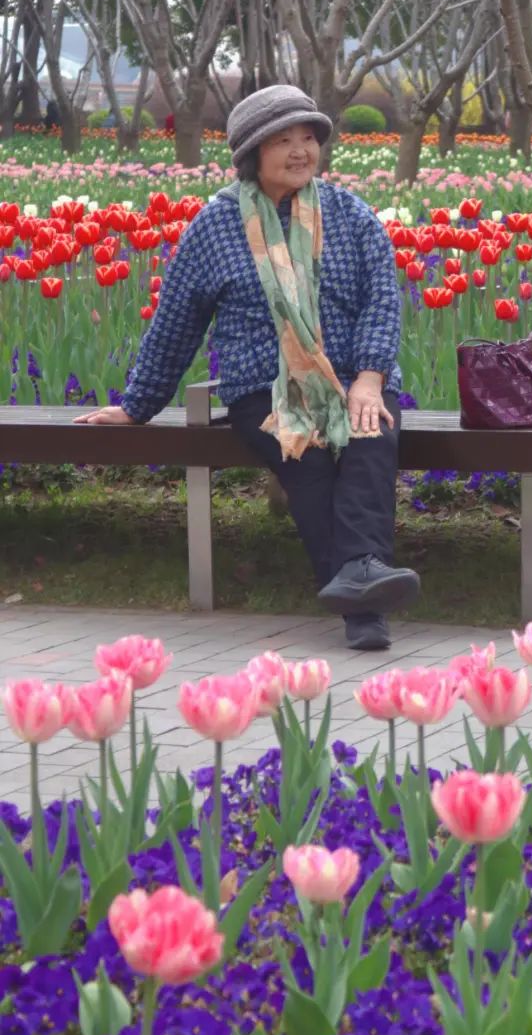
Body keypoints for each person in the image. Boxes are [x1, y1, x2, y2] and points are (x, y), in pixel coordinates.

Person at [76, 85, 417, 650]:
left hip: (353, 378)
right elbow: (177, 320)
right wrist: (137, 405)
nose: (301, 150)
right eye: (283, 140)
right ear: (251, 154)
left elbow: (382, 297)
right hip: (262, 387)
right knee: (304, 456)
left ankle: (359, 599)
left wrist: (370, 377)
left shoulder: (350, 215)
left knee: (369, 439)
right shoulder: (215, 227)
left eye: (308, 137)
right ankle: (366, 597)